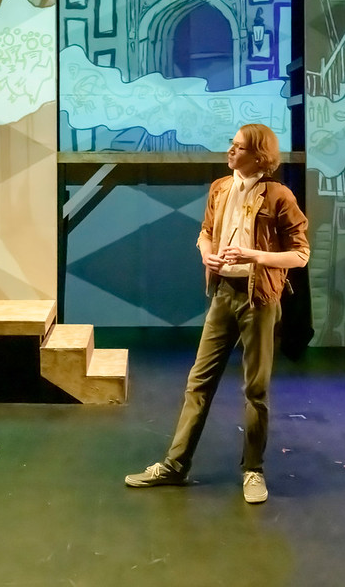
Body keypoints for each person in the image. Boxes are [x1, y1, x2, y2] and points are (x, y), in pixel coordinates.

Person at [125, 123, 309, 503]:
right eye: (231, 144)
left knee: (255, 389)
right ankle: (175, 465)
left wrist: (254, 256)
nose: (230, 151)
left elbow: (300, 255)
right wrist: (206, 253)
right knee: (198, 383)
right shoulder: (220, 188)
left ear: (258, 155)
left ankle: (253, 470)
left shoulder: (279, 196)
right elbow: (206, 232)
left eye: (238, 147)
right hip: (224, 295)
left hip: (260, 299)